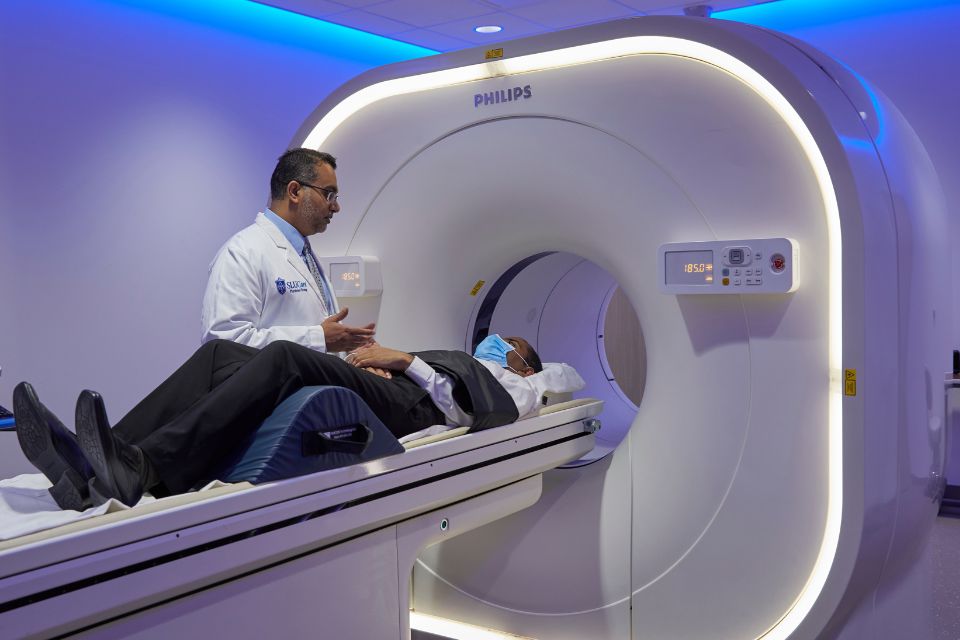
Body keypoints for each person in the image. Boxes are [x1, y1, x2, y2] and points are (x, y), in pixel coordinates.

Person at [13, 335, 544, 512]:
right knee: (220, 353)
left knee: (287, 357)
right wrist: (383, 364)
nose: (497, 343)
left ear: (522, 362)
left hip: (409, 410)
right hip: (395, 390)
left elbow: (484, 409)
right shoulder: (469, 358)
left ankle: (141, 468)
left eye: (510, 344)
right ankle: (103, 458)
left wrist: (405, 362)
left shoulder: (524, 384)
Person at [200, 148, 374, 354]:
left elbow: (324, 337)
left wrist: (356, 354)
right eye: (329, 194)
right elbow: (224, 343)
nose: (336, 207)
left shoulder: (305, 255)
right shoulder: (241, 253)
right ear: (294, 192)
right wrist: (317, 338)